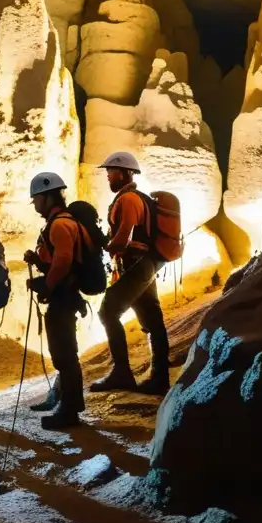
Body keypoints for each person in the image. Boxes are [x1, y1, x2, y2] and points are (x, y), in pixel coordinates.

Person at [92, 151, 171, 395]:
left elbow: (124, 237)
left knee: (108, 311)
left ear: (125, 173)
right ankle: (159, 377)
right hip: (146, 263)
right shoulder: (141, 198)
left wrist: (101, 247)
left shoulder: (128, 200)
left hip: (137, 264)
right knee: (152, 319)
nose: (108, 176)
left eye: (111, 172)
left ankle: (122, 373)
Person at [23, 172, 90, 429]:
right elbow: (58, 261)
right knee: (64, 352)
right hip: (64, 295)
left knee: (64, 354)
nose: (35, 205)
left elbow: (63, 262)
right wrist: (38, 262)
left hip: (63, 297)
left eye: (36, 199)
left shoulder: (61, 224)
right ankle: (67, 402)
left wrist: (47, 287)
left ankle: (70, 410)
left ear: (47, 196)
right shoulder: (59, 223)